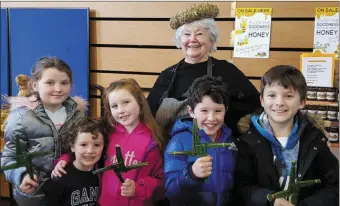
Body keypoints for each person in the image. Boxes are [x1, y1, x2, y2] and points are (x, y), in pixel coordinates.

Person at [147, 3, 261, 141]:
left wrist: (223, 119)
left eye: (199, 34)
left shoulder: (226, 71)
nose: (192, 39)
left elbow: (253, 104)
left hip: (214, 152)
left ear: (211, 39)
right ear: (180, 40)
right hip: (172, 152)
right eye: (187, 34)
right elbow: (149, 114)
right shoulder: (167, 75)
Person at [234, 65, 339, 206]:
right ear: (262, 100)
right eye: (272, 95)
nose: (279, 103)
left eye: (288, 96)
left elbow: (333, 187)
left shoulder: (315, 139)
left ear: (302, 102)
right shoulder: (247, 141)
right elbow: (242, 188)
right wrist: (270, 200)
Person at [52, 78, 165, 206]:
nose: (121, 110)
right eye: (114, 106)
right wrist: (65, 159)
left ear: (139, 102)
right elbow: (84, 147)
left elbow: (162, 182)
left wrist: (138, 188)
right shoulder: (108, 132)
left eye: (126, 102)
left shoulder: (152, 142)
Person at [0, 56, 87, 206]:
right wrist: (22, 175)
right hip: (35, 194)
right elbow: (9, 158)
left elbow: (80, 149)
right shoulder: (20, 117)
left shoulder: (77, 114)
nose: (58, 89)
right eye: (50, 83)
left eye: (64, 83)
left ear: (71, 85)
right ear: (34, 85)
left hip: (69, 191)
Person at [164, 75, 238, 206]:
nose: (211, 118)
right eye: (204, 110)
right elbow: (170, 191)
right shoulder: (178, 142)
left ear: (226, 110)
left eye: (218, 111)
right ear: (191, 111)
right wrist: (192, 174)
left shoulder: (232, 142)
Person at [42, 117, 107, 206]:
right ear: (72, 146)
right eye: (83, 145)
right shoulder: (59, 177)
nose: (90, 151)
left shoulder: (104, 174)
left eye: (97, 145)